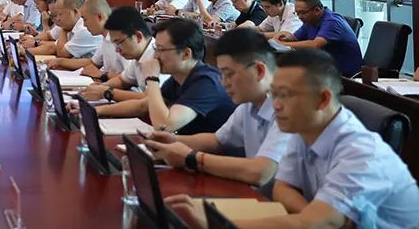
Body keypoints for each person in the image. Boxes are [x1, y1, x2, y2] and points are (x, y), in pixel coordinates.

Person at [168, 49, 419, 229]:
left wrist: (218, 223)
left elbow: (311, 222)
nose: (275, 105)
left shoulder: (362, 152)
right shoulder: (303, 128)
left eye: (286, 96)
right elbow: (282, 188)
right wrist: (318, 215)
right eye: (274, 95)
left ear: (322, 99)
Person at [143, 28, 291, 186]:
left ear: (259, 71)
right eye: (222, 74)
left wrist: (191, 158)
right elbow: (218, 141)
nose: (224, 83)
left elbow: (260, 173)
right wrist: (173, 140)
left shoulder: (289, 108)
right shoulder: (248, 105)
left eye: (229, 74)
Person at [94, 18, 234, 133]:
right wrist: (98, 110)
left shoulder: (207, 82)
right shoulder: (178, 77)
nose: (155, 56)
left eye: (161, 50)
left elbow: (164, 125)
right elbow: (142, 106)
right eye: (155, 49)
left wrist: (152, 79)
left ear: (186, 54)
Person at [78, 7, 154, 105]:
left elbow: (149, 99)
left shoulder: (158, 56)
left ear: (138, 37)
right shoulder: (138, 56)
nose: (117, 50)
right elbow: (122, 80)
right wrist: (101, 87)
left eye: (119, 43)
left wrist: (107, 92)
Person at [276, 0, 362, 77]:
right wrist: (285, 37)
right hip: (324, 68)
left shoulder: (332, 21)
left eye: (303, 13)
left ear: (317, 10)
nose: (299, 17)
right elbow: (295, 38)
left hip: (344, 75)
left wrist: (282, 44)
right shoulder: (310, 20)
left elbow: (315, 45)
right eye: (297, 13)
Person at [43, 0, 124, 80]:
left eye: (85, 19)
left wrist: (102, 75)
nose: (84, 25)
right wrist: (59, 62)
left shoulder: (120, 40)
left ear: (99, 17)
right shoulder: (106, 38)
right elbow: (92, 62)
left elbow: (128, 77)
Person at [20, 0, 101, 59]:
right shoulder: (69, 24)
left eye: (60, 14)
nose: (58, 19)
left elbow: (61, 53)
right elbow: (52, 43)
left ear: (75, 12)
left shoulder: (84, 30)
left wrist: (27, 49)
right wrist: (27, 47)